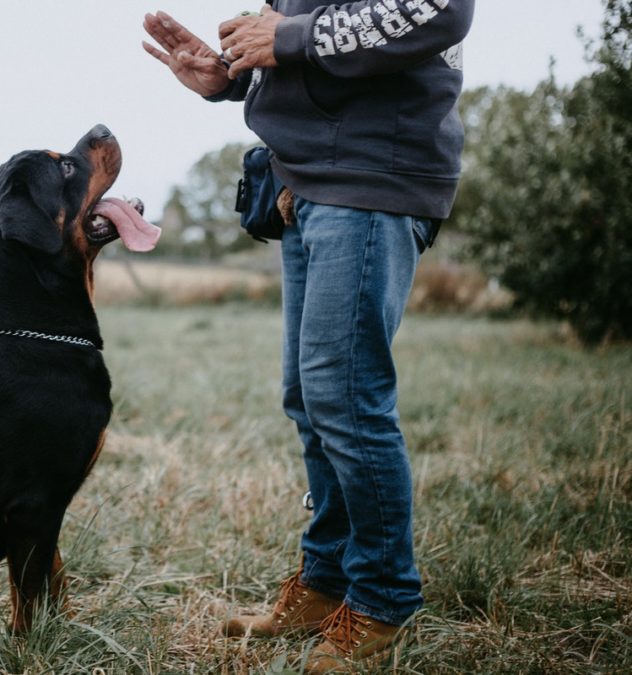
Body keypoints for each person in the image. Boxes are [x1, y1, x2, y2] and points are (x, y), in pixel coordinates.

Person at [142, 2, 474, 672]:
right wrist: (234, 75)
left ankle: (383, 598)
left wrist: (288, 35)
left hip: (372, 177)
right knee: (311, 397)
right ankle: (326, 583)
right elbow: (313, 53)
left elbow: (438, 11)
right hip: (307, 179)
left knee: (346, 397)